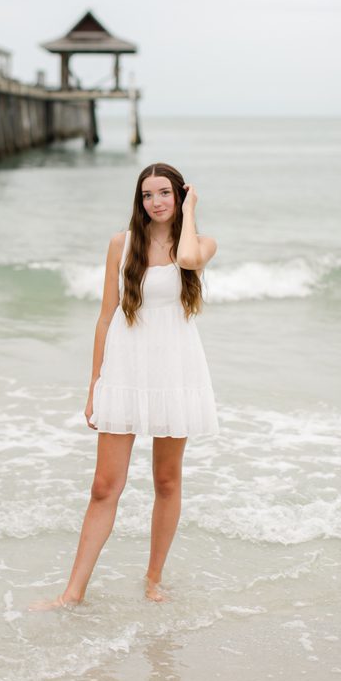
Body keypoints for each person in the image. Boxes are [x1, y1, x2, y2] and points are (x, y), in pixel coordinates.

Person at [34, 162, 219, 609]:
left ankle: (153, 579)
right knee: (104, 486)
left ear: (179, 196)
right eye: (147, 195)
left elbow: (190, 260)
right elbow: (105, 316)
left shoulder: (199, 243)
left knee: (166, 480)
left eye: (164, 194)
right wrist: (94, 384)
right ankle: (72, 593)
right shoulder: (123, 244)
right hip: (126, 368)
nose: (155, 202)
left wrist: (190, 208)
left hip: (174, 369)